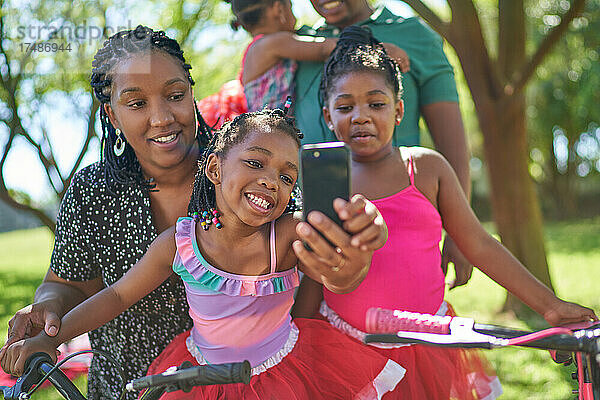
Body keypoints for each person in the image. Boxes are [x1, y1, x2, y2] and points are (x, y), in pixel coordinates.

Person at [1, 109, 404, 400]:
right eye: (255, 163)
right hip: (199, 378)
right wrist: (52, 339)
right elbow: (117, 296)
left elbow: (338, 249)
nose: (270, 181)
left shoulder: (284, 236)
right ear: (214, 170)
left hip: (284, 374)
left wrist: (370, 225)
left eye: (286, 176)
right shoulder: (181, 242)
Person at [292, 26, 598, 399]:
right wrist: (297, 346)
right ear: (327, 114)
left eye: (376, 103)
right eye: (345, 107)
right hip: (350, 354)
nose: (360, 116)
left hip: (430, 348)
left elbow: (479, 244)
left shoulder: (426, 169)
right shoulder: (326, 187)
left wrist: (550, 306)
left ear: (399, 110)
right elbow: (313, 275)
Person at [0, 26, 211, 400]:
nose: (162, 118)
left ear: (191, 94)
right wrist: (48, 310)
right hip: (123, 388)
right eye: (137, 104)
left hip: (236, 385)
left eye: (175, 95)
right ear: (112, 115)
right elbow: (67, 284)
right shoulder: (93, 192)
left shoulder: (241, 173)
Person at [294, 0, 473, 287]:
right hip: (317, 244)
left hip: (401, 241)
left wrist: (459, 235)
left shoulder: (416, 36)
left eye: (376, 103)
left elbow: (452, 145)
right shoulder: (298, 45)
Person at [198, 0, 410, 128]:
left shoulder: (258, 49)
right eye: (290, 6)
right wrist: (379, 48)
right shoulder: (273, 43)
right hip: (270, 130)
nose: (295, 15)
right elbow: (323, 48)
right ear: (277, 9)